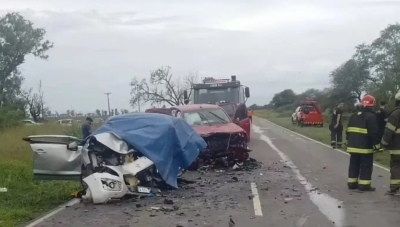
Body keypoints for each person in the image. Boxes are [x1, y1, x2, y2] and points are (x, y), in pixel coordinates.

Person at [346, 95, 382, 191]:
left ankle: (352, 183)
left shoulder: (353, 116)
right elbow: (373, 133)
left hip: (352, 146)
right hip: (365, 147)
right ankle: (364, 185)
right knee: (366, 166)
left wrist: (348, 142)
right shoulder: (371, 117)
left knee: (354, 164)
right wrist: (378, 146)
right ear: (372, 105)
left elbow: (348, 131)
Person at [381, 93, 400, 195]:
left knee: (396, 165)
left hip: (397, 147)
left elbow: (389, 131)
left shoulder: (395, 114)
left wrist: (384, 143)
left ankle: (395, 188)